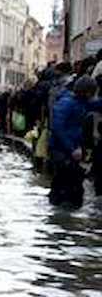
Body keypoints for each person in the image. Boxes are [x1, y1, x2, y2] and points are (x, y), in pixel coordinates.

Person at [49, 76, 102, 208]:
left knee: (69, 186)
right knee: (67, 186)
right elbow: (57, 127)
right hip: (62, 151)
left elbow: (97, 104)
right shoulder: (67, 103)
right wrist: (72, 149)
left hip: (69, 150)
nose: (93, 95)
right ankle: (64, 217)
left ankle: (62, 214)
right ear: (87, 91)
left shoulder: (81, 102)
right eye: (92, 92)